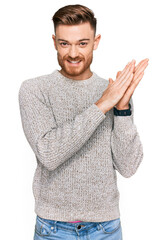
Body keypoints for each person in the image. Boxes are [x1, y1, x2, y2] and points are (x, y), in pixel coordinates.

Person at [18, 4, 149, 240]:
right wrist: (101, 105)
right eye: (64, 43)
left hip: (106, 229)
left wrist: (121, 110)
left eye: (82, 43)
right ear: (54, 41)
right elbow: (49, 154)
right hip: (53, 229)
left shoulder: (114, 92)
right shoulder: (34, 89)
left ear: (96, 41)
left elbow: (128, 167)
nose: (73, 53)